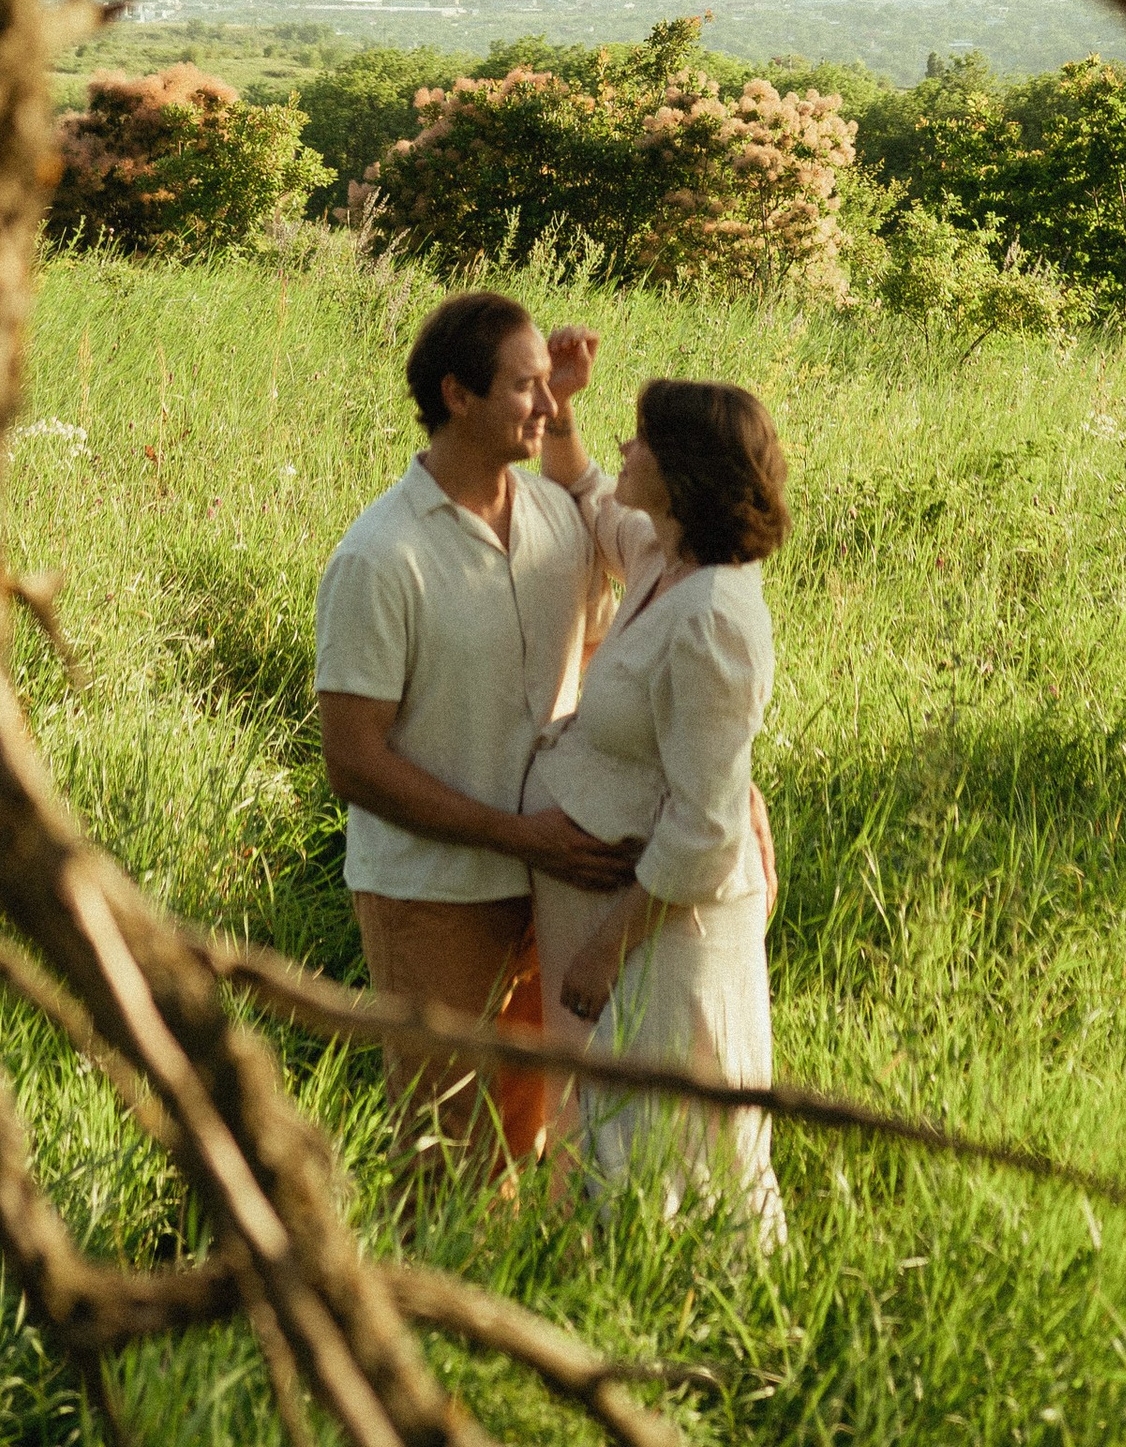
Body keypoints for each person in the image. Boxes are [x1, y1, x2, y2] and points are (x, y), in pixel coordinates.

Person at [313, 290, 641, 1176]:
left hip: (553, 883)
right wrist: (517, 834)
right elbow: (353, 761)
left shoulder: (556, 519)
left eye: (549, 386)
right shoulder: (380, 557)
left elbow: (611, 645)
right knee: (446, 1143)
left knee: (535, 1130)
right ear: (457, 395)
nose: (548, 403)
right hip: (433, 893)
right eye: (526, 386)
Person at [528, 369, 790, 1239]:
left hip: (666, 937)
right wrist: (560, 415)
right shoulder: (662, 562)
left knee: (673, 1147)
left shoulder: (714, 616)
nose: (625, 448)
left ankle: (697, 1308)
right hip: (628, 925)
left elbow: (705, 833)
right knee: (618, 1136)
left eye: (641, 439)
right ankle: (615, 1291)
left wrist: (606, 949)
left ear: (681, 476)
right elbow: (589, 495)